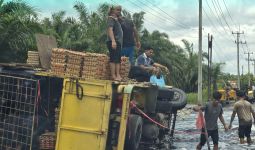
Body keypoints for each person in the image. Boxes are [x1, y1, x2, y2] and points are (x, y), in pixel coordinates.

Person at [106, 5, 123, 81]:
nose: (119, 11)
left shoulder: (116, 19)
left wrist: (118, 18)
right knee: (113, 59)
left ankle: (118, 75)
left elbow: (123, 19)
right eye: (117, 10)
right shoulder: (111, 19)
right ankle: (113, 75)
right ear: (113, 10)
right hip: (113, 41)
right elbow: (110, 29)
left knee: (118, 59)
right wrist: (113, 41)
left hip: (118, 42)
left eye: (120, 10)